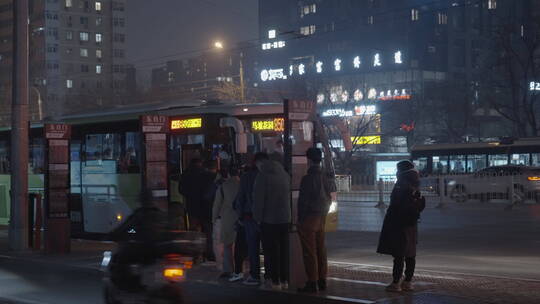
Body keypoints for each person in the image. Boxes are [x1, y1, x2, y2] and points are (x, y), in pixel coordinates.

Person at [377, 160, 426, 292]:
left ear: (401, 171)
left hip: (399, 223)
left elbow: (396, 204)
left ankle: (395, 282)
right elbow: (420, 203)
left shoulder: (402, 184)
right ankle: (408, 282)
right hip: (412, 222)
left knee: (399, 254)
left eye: (397, 169)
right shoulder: (415, 183)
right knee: (410, 253)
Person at [297, 148, 336, 293]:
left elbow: (303, 201)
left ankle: (312, 281)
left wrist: (300, 219)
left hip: (309, 217)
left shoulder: (308, 178)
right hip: (322, 216)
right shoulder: (326, 176)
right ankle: (322, 280)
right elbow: (331, 196)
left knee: (309, 251)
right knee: (321, 249)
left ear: (308, 160)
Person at [253, 154, 291, 290]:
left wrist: (257, 218)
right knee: (284, 250)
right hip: (285, 218)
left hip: (269, 220)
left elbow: (258, 200)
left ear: (259, 163)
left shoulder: (262, 176)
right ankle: (285, 279)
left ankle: (274, 281)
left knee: (271, 251)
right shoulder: (284, 174)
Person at [233, 153, 269, 286]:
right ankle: (270, 274)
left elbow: (240, 198)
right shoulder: (269, 176)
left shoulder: (246, 177)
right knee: (267, 247)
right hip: (267, 218)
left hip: (250, 217)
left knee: (253, 247)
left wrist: (240, 216)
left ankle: (255, 274)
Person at [212, 168, 241, 278]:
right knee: (240, 246)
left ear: (228, 174)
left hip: (227, 219)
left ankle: (228, 269)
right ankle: (240, 270)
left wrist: (213, 219)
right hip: (242, 218)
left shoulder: (223, 186)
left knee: (227, 245)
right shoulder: (242, 184)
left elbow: (217, 205)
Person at [178, 158, 205, 231]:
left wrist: (189, 194)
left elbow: (181, 189)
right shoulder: (204, 172)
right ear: (200, 163)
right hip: (203, 202)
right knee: (203, 223)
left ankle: (194, 234)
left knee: (192, 222)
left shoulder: (186, 173)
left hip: (190, 202)